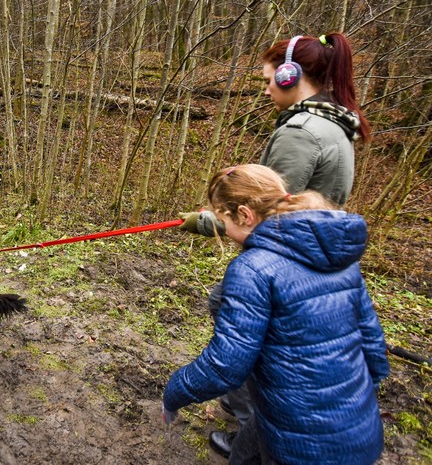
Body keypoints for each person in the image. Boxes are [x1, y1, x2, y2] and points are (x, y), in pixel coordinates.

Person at [179, 32, 372, 456]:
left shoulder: (301, 132)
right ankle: (241, 406)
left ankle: (253, 422)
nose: (265, 88)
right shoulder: (336, 121)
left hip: (285, 260)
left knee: (232, 311)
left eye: (269, 79)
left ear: (290, 76)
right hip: (315, 254)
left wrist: (206, 221)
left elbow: (256, 212)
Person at [163, 164, 389, 465]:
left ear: (244, 215)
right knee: (245, 452)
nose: (223, 231)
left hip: (303, 443)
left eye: (222, 220)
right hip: (360, 427)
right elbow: (373, 343)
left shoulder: (253, 269)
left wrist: (174, 392)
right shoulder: (338, 256)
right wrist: (354, 401)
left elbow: (225, 366)